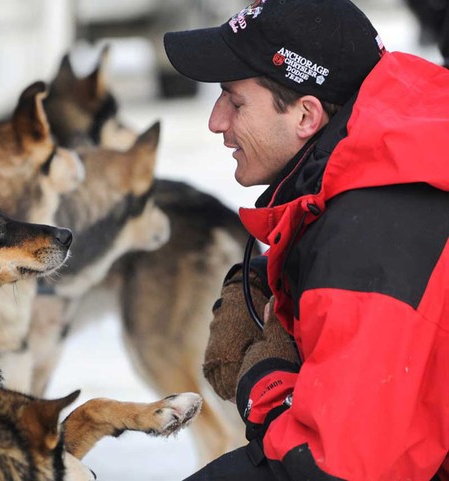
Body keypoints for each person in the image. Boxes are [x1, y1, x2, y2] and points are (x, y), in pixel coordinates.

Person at [163, 0, 449, 480]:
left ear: (306, 116)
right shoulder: (387, 171)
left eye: (234, 101)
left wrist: (265, 377)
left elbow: (332, 470)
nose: (215, 121)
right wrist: (278, 280)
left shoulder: (370, 241)